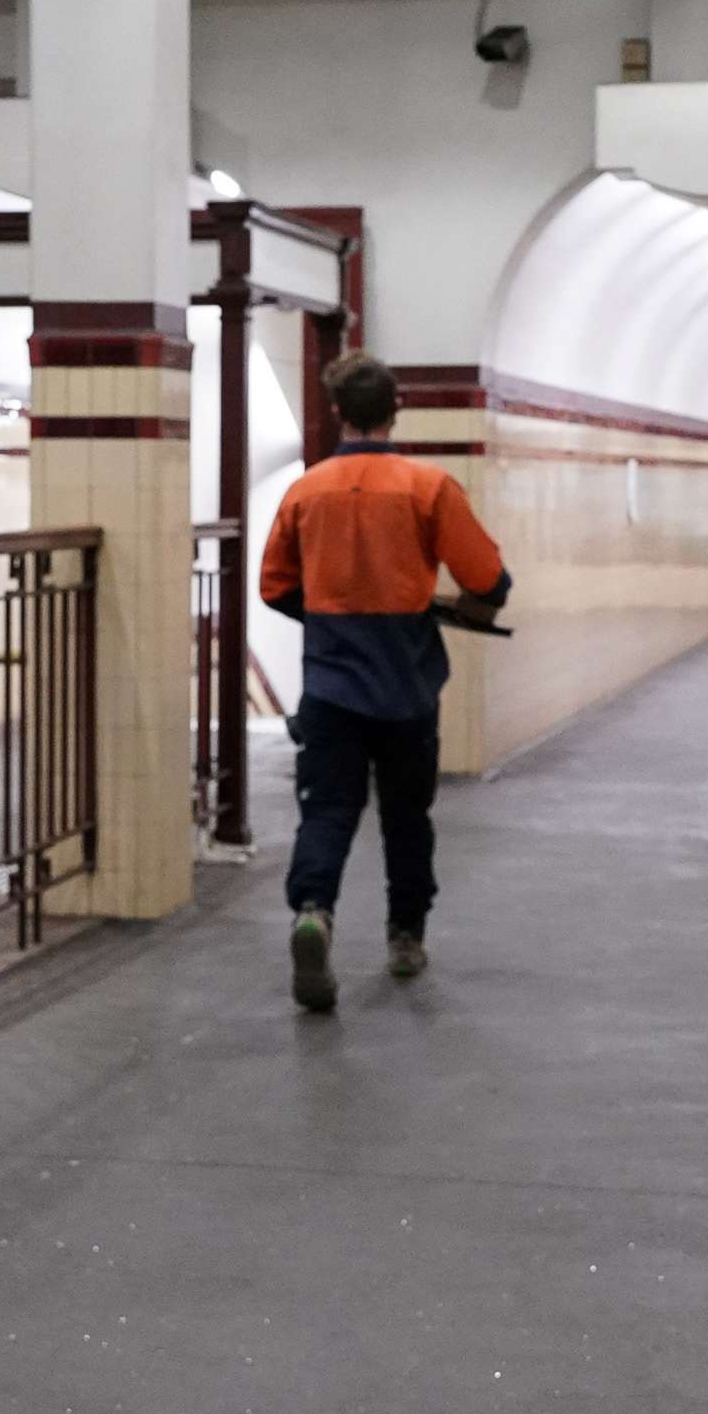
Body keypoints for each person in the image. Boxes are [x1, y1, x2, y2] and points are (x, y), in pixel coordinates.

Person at [258, 353, 512, 1012]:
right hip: (406, 687)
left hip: (331, 689)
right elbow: (487, 579)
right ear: (395, 411)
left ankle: (313, 911)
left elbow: (275, 586)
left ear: (340, 411)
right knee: (407, 816)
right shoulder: (427, 487)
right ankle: (405, 937)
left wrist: (327, 610)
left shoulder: (306, 490)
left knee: (329, 810)